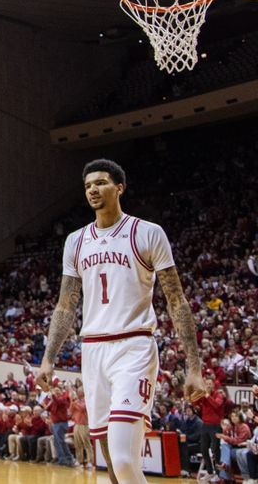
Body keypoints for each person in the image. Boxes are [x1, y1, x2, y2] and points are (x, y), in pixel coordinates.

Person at [36, 159, 206, 484]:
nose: (93, 190)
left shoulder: (147, 233)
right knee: (112, 465)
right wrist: (48, 358)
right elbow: (65, 305)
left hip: (134, 346)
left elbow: (176, 299)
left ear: (119, 187)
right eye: (87, 186)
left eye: (100, 183)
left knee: (127, 462)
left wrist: (194, 367)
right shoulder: (76, 240)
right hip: (93, 351)